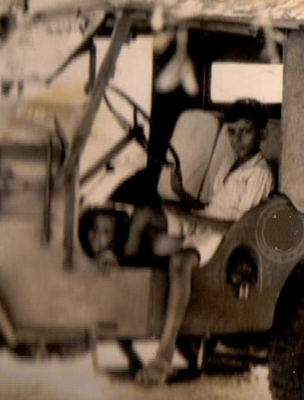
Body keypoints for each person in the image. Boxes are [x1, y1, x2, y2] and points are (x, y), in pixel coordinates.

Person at [80, 98, 274, 385]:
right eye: (231, 132)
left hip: (223, 235)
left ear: (262, 135)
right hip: (203, 220)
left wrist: (192, 219)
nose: (237, 140)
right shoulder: (230, 163)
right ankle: (119, 271)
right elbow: (213, 204)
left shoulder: (258, 174)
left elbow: (237, 225)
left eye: (244, 132)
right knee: (145, 213)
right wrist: (182, 194)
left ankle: (165, 353)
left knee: (180, 262)